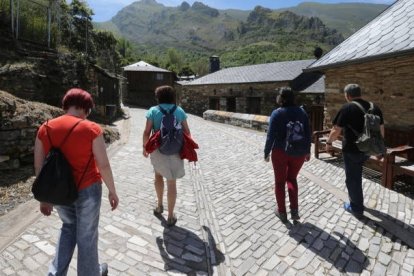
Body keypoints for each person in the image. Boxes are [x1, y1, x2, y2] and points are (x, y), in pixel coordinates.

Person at [34, 88, 119, 276]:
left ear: (66, 105)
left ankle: (56, 273)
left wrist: (44, 198)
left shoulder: (45, 128)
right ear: (85, 108)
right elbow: (103, 164)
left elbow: (40, 168)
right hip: (88, 189)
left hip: (59, 192)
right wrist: (112, 191)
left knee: (68, 228)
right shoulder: (91, 129)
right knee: (87, 236)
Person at [325, 83, 384, 218]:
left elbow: (336, 130)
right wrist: (379, 150)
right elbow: (381, 131)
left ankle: (356, 208)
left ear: (348, 95)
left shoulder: (347, 107)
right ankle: (357, 202)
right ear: (360, 93)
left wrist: (328, 143)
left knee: (353, 179)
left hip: (352, 150)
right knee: (356, 176)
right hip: (368, 149)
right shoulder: (374, 107)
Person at [142, 85, 191, 227]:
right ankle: (170, 216)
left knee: (158, 176)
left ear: (158, 97)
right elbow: (187, 132)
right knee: (172, 182)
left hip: (158, 149)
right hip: (175, 150)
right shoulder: (180, 111)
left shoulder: (153, 111)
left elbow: (146, 132)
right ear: (172, 97)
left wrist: (145, 147)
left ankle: (159, 206)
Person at [264, 87, 311, 223]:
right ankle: (294, 211)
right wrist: (307, 150)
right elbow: (308, 133)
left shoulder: (277, 113)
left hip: (280, 151)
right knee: (292, 179)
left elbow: (270, 136)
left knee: (279, 182)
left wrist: (266, 152)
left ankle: (282, 212)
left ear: (282, 98)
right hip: (299, 152)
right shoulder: (302, 112)